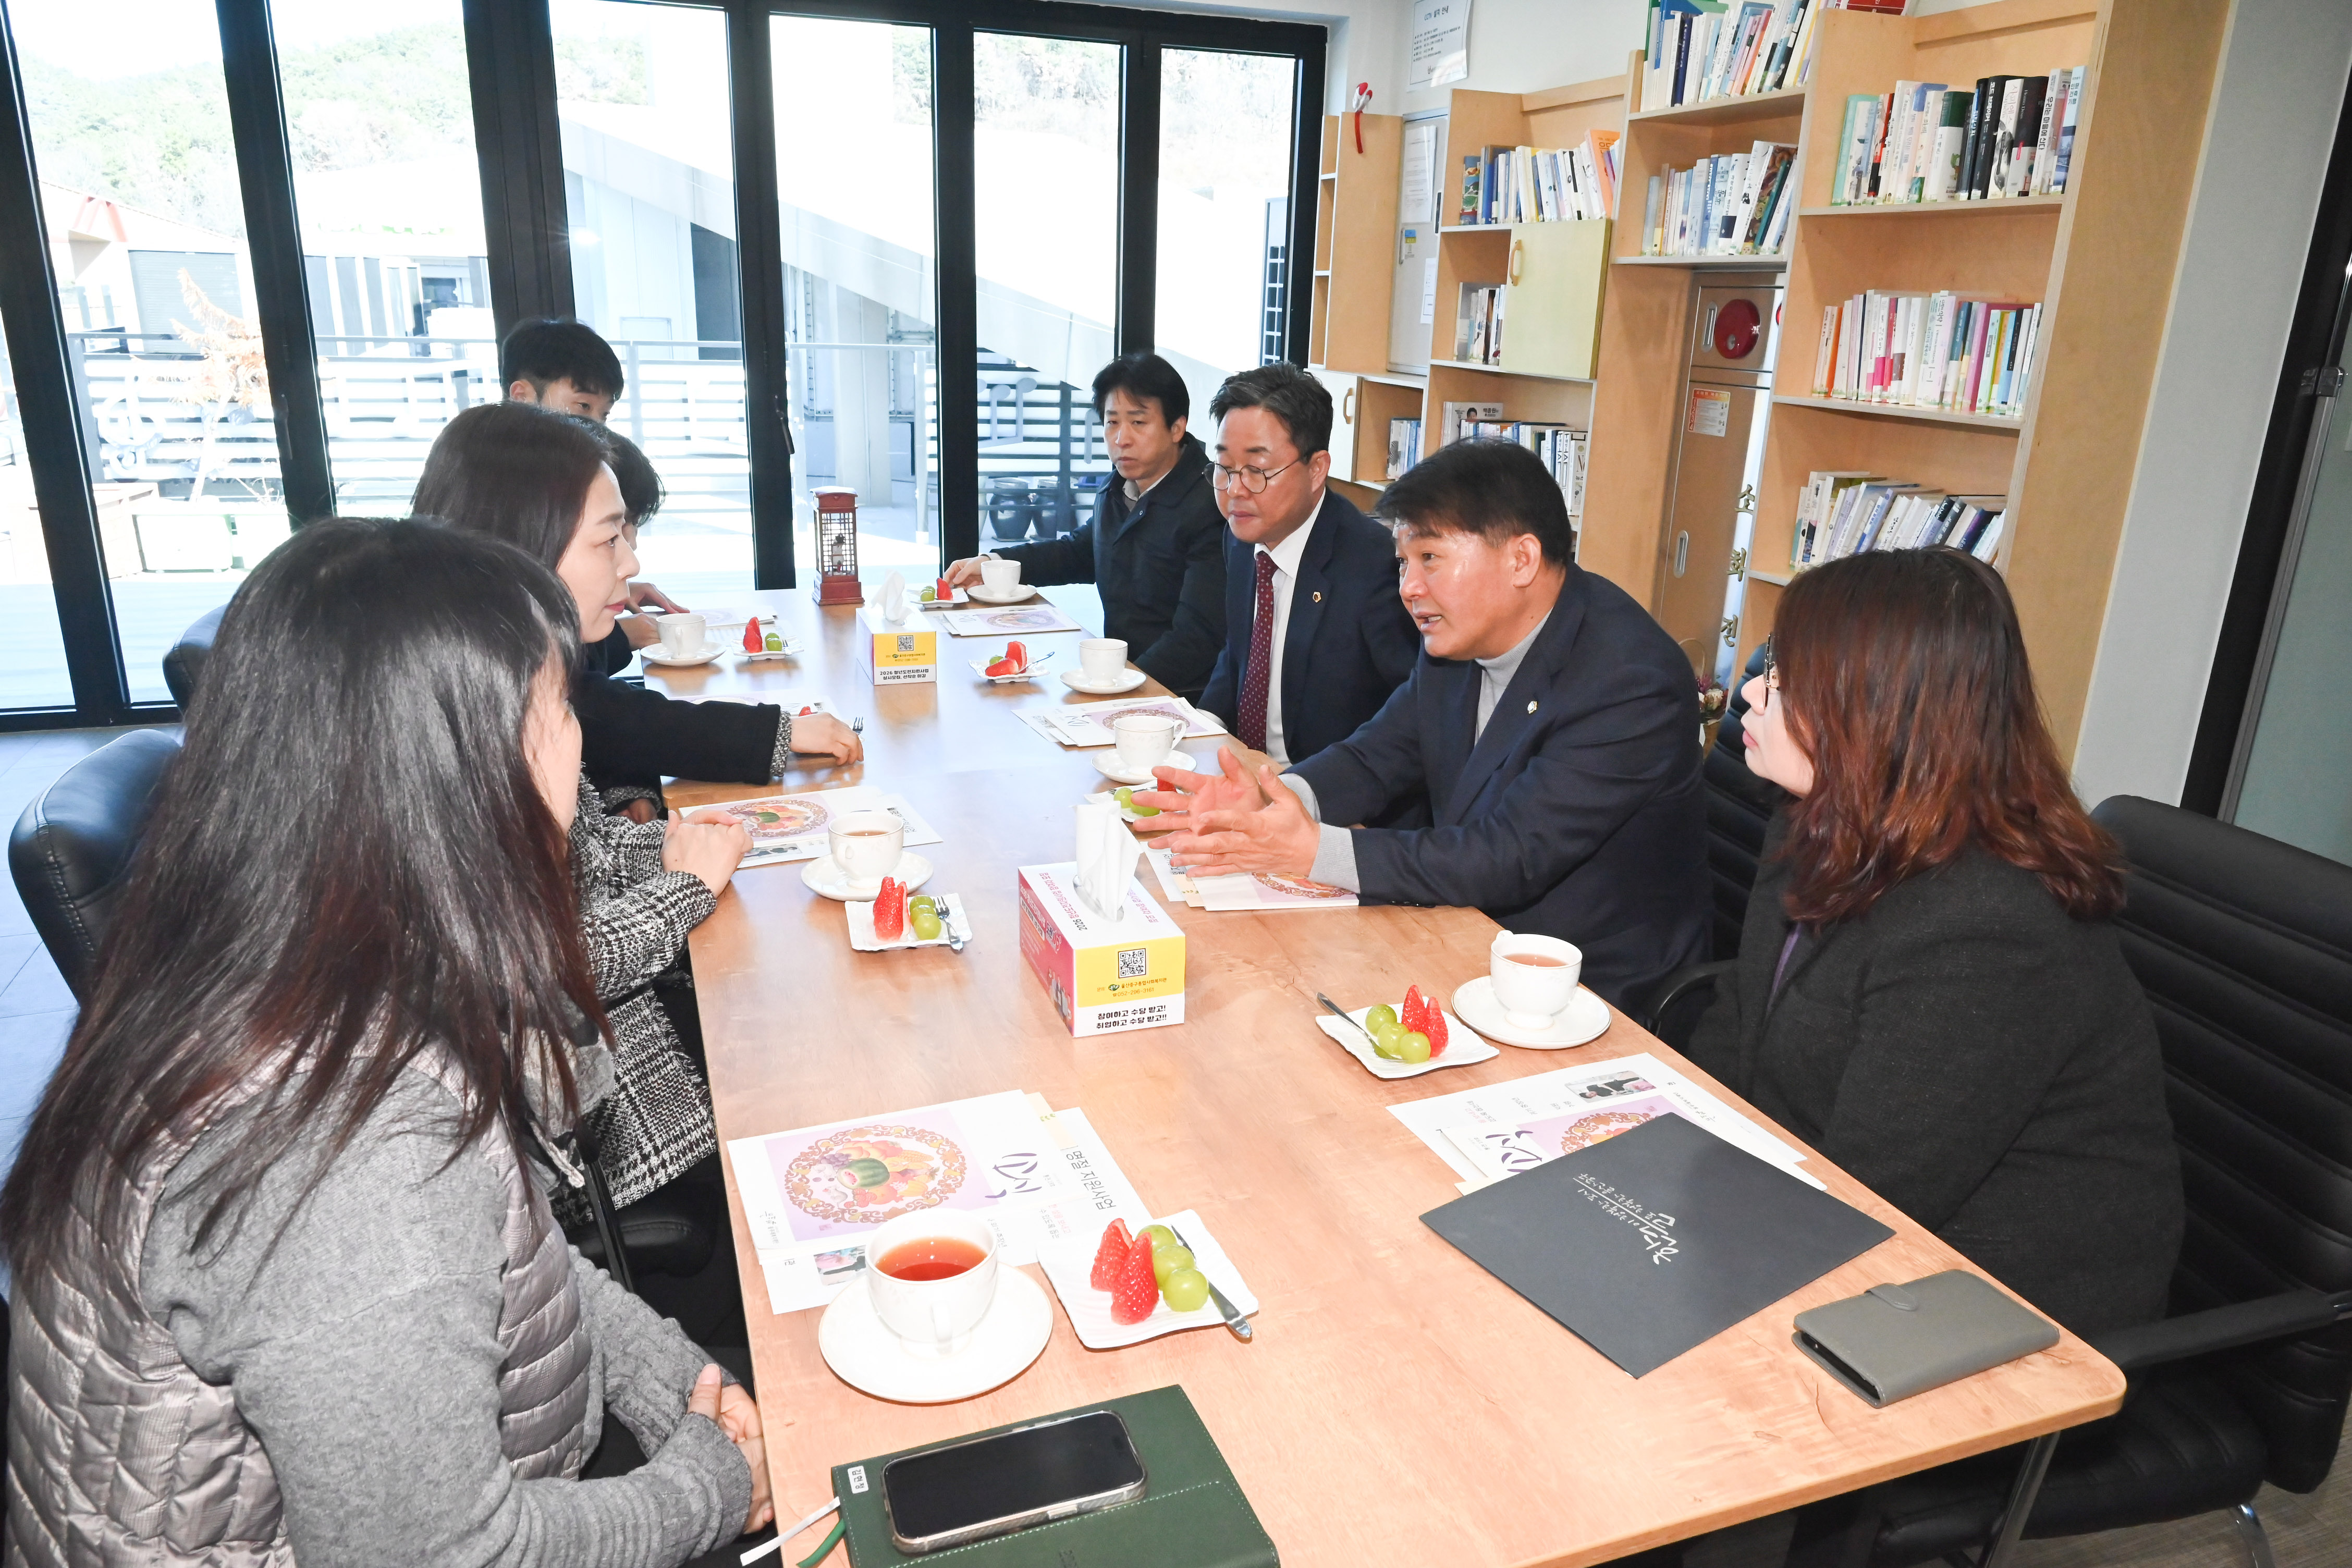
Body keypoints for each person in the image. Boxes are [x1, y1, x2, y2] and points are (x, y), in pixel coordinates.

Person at [1, 518, 771, 1566]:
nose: (577, 740)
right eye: (559, 704)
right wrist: (710, 1485)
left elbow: (506, 1253)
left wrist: (668, 1375)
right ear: (462, 769)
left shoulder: (296, 960)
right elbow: (446, 1554)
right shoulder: (353, 1147)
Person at [1682, 547, 2183, 1337]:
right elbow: (1740, 1014)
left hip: (1992, 1312)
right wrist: (1663, 1145)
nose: (1750, 692)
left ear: (1876, 711)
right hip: (1822, 1216)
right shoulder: (1817, 816)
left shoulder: (1986, 925)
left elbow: (1873, 1195)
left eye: (1785, 681)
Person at [1148, 438, 1709, 1005]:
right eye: (1403, 562)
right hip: (1463, 933)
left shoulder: (1629, 680)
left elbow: (1506, 855)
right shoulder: (1458, 637)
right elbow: (1377, 754)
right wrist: (1273, 799)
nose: (1409, 588)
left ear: (1522, 559)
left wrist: (1312, 849)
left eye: (1431, 558)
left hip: (1582, 986)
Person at [413, 403, 864, 813]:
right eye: (611, 537)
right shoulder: (481, 693)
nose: (631, 561)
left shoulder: (494, 650)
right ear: (523, 546)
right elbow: (615, 719)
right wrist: (775, 734)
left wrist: (630, 788)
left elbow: (599, 749)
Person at [945, 353, 1227, 699]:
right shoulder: (1120, 487)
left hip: (1178, 695)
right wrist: (994, 563)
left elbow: (1196, 638)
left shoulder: (1212, 503)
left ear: (1177, 427)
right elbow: (1080, 551)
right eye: (1112, 423)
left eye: (1138, 423)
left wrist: (1120, 685)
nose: (1121, 439)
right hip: (1122, 677)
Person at [1194, 363, 1419, 766]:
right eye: (1224, 468)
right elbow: (1239, 654)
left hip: (1328, 794)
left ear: (1316, 470)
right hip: (1250, 772)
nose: (1235, 490)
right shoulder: (1242, 536)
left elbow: (1410, 718)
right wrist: (1200, 731)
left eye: (1257, 471)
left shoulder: (1374, 565)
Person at [506, 314, 688, 621]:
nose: (593, 427)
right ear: (523, 397)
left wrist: (611, 592)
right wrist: (621, 636)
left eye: (603, 415)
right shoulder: (507, 485)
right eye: (583, 407)